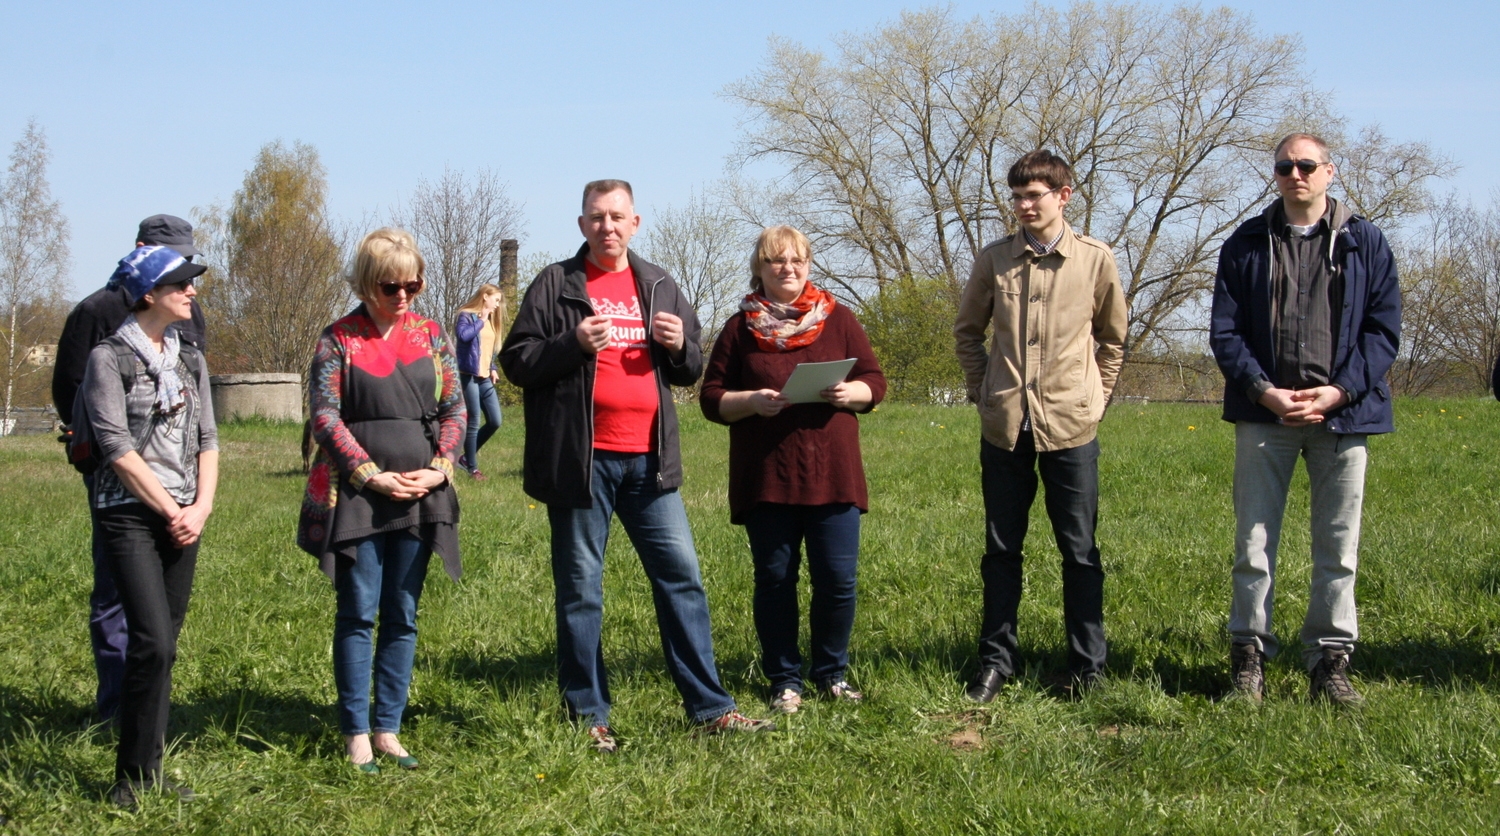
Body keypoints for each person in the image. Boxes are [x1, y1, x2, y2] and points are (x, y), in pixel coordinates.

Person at [499, 179, 773, 753]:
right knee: (581, 590)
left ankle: (710, 708)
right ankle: (589, 715)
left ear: (635, 222)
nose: (608, 227)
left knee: (683, 581)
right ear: (582, 225)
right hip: (582, 463)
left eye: (618, 216)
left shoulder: (659, 284)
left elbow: (691, 367)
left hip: (650, 461)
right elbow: (517, 363)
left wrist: (679, 348)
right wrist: (571, 342)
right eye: (597, 217)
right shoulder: (555, 284)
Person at [1210, 133, 1401, 706]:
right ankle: (1249, 658)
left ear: (1329, 172)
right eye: (1285, 166)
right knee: (1253, 543)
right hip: (1264, 413)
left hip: (1342, 417)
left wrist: (1337, 393)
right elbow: (1225, 330)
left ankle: (1330, 661)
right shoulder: (1245, 242)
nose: (1296, 174)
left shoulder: (1365, 243)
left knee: (1338, 546)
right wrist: (1264, 392)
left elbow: (1382, 331)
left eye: (1306, 165)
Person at [953, 150, 1128, 702]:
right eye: (1018, 197)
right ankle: (996, 661)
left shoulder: (1096, 259)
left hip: (1071, 425)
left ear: (1064, 195)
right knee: (1001, 550)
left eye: (1036, 195)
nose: (1026, 206)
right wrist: (984, 392)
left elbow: (1114, 339)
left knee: (1079, 550)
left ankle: (1087, 665)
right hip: (1005, 426)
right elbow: (967, 333)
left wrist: (1094, 399)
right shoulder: (994, 260)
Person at [297, 228, 466, 772]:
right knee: (357, 612)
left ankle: (389, 727)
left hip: (421, 492)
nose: (403, 296)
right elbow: (325, 416)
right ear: (368, 284)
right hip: (359, 495)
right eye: (391, 285)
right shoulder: (338, 339)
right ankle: (356, 733)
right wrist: (370, 475)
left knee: (403, 612)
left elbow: (456, 410)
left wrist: (440, 469)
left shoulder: (432, 335)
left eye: (412, 284)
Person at [700, 225, 886, 713]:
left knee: (838, 580)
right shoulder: (739, 329)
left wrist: (854, 394)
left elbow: (874, 380)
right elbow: (712, 398)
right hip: (769, 476)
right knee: (776, 579)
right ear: (760, 268)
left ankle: (832, 673)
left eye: (797, 260)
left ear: (809, 265)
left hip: (833, 473)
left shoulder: (839, 318)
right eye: (777, 261)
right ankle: (785, 679)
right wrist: (751, 401)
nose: (788, 269)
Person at [52, 214, 207, 723]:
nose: (189, 285)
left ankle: (145, 706)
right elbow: (72, 388)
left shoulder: (187, 315)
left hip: (178, 479)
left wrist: (194, 497)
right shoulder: (95, 312)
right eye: (178, 268)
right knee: (115, 590)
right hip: (118, 479)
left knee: (162, 612)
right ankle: (116, 703)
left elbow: (196, 401)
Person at [78, 245, 215, 807]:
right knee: (151, 641)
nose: (192, 291)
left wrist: (201, 507)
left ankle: (150, 770)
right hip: (131, 514)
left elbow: (208, 439)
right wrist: (170, 508)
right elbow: (114, 448)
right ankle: (128, 779)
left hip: (186, 514)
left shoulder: (191, 359)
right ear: (149, 294)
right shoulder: (108, 359)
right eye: (181, 283)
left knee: (166, 645)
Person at [452, 283, 506, 480]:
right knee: (473, 421)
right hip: (468, 375)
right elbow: (463, 336)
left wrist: (492, 368)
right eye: (496, 300)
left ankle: (465, 458)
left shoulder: (491, 320)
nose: (497, 305)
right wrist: (481, 320)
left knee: (495, 421)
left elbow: (486, 348)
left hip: (484, 377)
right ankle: (472, 468)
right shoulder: (466, 315)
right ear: (485, 296)